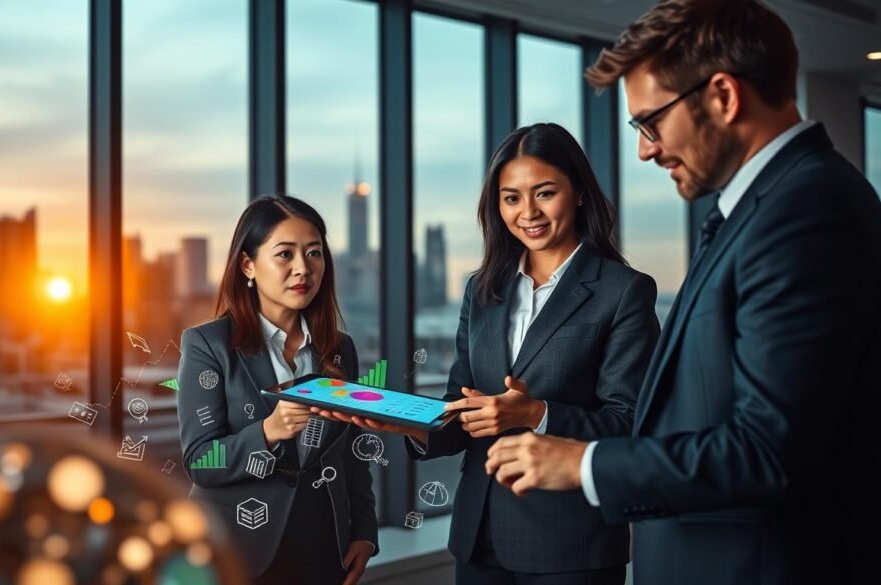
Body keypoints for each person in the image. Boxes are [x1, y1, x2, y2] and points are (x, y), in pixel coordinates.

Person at [484, 2, 881, 584]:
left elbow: (768, 451)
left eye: (652, 121)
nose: (646, 148)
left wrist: (584, 462)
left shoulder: (806, 212)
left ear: (722, 95)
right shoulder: (766, 206)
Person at [317, 123, 660, 585]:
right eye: (511, 198)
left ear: (578, 193)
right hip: (479, 538)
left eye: (544, 193)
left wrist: (536, 414)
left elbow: (631, 423)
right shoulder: (483, 291)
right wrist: (411, 422)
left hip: (571, 542)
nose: (527, 213)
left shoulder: (623, 291)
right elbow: (464, 404)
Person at [176, 195, 378, 585]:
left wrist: (365, 532)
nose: (303, 268)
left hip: (324, 546)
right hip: (238, 551)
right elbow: (200, 461)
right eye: (285, 254)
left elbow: (353, 453)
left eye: (315, 253)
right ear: (248, 265)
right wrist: (269, 432)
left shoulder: (339, 348)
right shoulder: (207, 345)